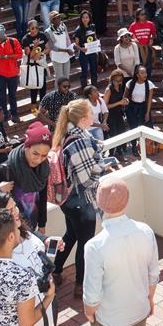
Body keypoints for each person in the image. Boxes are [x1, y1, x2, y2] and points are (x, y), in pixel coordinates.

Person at [83, 180, 159, 326]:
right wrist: (149, 299)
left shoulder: (95, 246)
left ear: (99, 203)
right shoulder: (146, 231)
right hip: (139, 311)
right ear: (127, 200)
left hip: (110, 320)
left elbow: (92, 295)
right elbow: (153, 274)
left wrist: (89, 312)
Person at [51, 99, 108, 299]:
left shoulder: (69, 133)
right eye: (91, 113)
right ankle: (80, 285)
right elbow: (87, 180)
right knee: (86, 242)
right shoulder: (79, 141)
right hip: (81, 201)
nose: (94, 115)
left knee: (72, 234)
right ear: (83, 118)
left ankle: (56, 270)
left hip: (68, 200)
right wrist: (103, 166)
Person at [0, 121, 52, 232]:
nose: (38, 160)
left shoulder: (43, 168)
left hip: (31, 228)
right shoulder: (5, 170)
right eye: (35, 154)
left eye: (44, 155)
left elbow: (42, 197)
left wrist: (42, 224)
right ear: (26, 146)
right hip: (9, 231)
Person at [0, 25, 23, 124]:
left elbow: (20, 54)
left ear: (2, 37)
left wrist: (7, 56)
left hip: (13, 74)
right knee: (2, 97)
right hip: (1, 75)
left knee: (12, 96)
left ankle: (14, 115)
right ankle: (4, 116)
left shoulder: (13, 41)